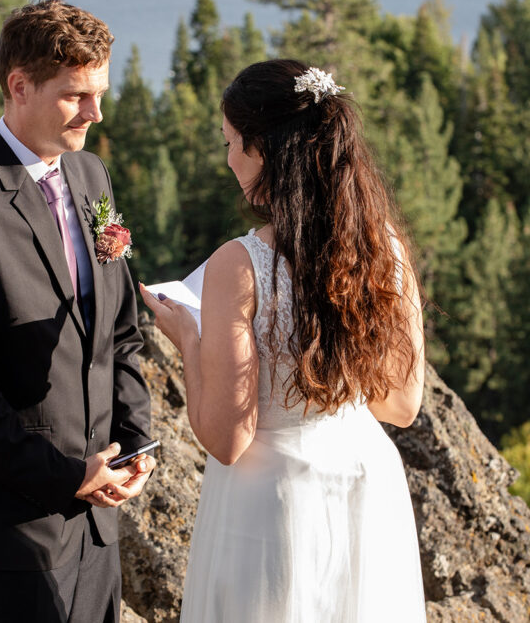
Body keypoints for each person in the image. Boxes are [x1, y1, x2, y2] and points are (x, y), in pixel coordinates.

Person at [140, 59, 426, 622]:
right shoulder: (384, 249)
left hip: (274, 509)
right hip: (367, 488)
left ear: (264, 150)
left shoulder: (240, 264)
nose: (227, 159)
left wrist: (189, 339)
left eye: (231, 143)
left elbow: (228, 438)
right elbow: (402, 404)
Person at [0, 0, 156, 623]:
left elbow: (120, 332)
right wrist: (63, 475)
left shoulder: (92, 176)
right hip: (11, 522)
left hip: (100, 515)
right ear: (20, 86)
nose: (96, 113)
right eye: (77, 96)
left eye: (99, 92)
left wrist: (134, 444)